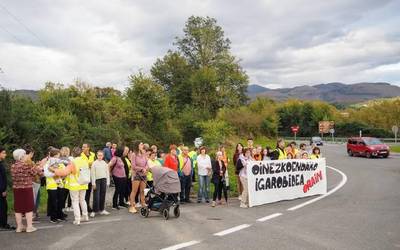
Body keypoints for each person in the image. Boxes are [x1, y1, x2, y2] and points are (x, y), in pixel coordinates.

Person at [51, 147, 89, 225]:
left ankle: (77, 219)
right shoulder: (84, 161)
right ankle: (85, 216)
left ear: (72, 153)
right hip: (84, 183)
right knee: (82, 200)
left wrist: (54, 170)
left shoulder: (73, 162)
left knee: (75, 201)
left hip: (74, 185)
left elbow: (64, 172)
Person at [11, 149, 43, 232]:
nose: (26, 156)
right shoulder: (27, 165)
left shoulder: (13, 166)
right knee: (29, 207)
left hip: (16, 189)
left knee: (18, 208)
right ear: (21, 156)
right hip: (27, 188)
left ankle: (19, 227)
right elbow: (39, 173)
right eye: (25, 154)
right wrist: (39, 166)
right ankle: (29, 226)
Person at [44, 148, 67, 223]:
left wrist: (62, 174)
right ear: (55, 155)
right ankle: (53, 217)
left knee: (60, 200)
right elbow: (46, 174)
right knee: (54, 202)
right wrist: (56, 173)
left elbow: (64, 171)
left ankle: (60, 215)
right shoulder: (48, 163)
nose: (59, 156)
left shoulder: (59, 163)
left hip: (60, 184)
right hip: (51, 185)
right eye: (58, 154)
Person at [129, 142, 148, 214]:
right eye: (141, 144)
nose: (142, 146)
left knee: (142, 191)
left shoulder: (144, 154)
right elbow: (133, 166)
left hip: (144, 174)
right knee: (134, 191)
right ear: (137, 146)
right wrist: (141, 169)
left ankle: (143, 204)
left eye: (143, 144)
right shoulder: (134, 154)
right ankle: (132, 206)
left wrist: (145, 168)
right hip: (136, 175)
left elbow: (147, 163)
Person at [90, 150, 110, 217]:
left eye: (101, 155)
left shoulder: (104, 163)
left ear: (103, 156)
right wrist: (93, 183)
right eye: (99, 155)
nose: (100, 157)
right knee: (96, 196)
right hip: (96, 181)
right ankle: (94, 211)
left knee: (103, 195)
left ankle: (102, 209)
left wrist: (108, 182)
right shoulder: (94, 163)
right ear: (96, 155)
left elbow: (107, 173)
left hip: (103, 180)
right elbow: (92, 174)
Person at [0, 147, 15, 231]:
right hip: (1, 190)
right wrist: (2, 190)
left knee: (3, 206)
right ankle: (3, 224)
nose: (5, 154)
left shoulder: (1, 163)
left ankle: (2, 223)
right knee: (3, 207)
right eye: (3, 153)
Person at [81, 143, 95, 213]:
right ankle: (82, 208)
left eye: (84, 147)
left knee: (89, 192)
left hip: (91, 175)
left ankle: (87, 205)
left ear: (88, 148)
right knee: (83, 192)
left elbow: (95, 163)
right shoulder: (81, 155)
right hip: (84, 176)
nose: (82, 148)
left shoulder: (93, 154)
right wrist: (88, 165)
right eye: (82, 147)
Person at [59, 147, 73, 213]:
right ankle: (62, 208)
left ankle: (60, 208)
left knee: (60, 195)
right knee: (64, 194)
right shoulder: (68, 160)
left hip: (58, 178)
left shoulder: (58, 159)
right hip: (66, 179)